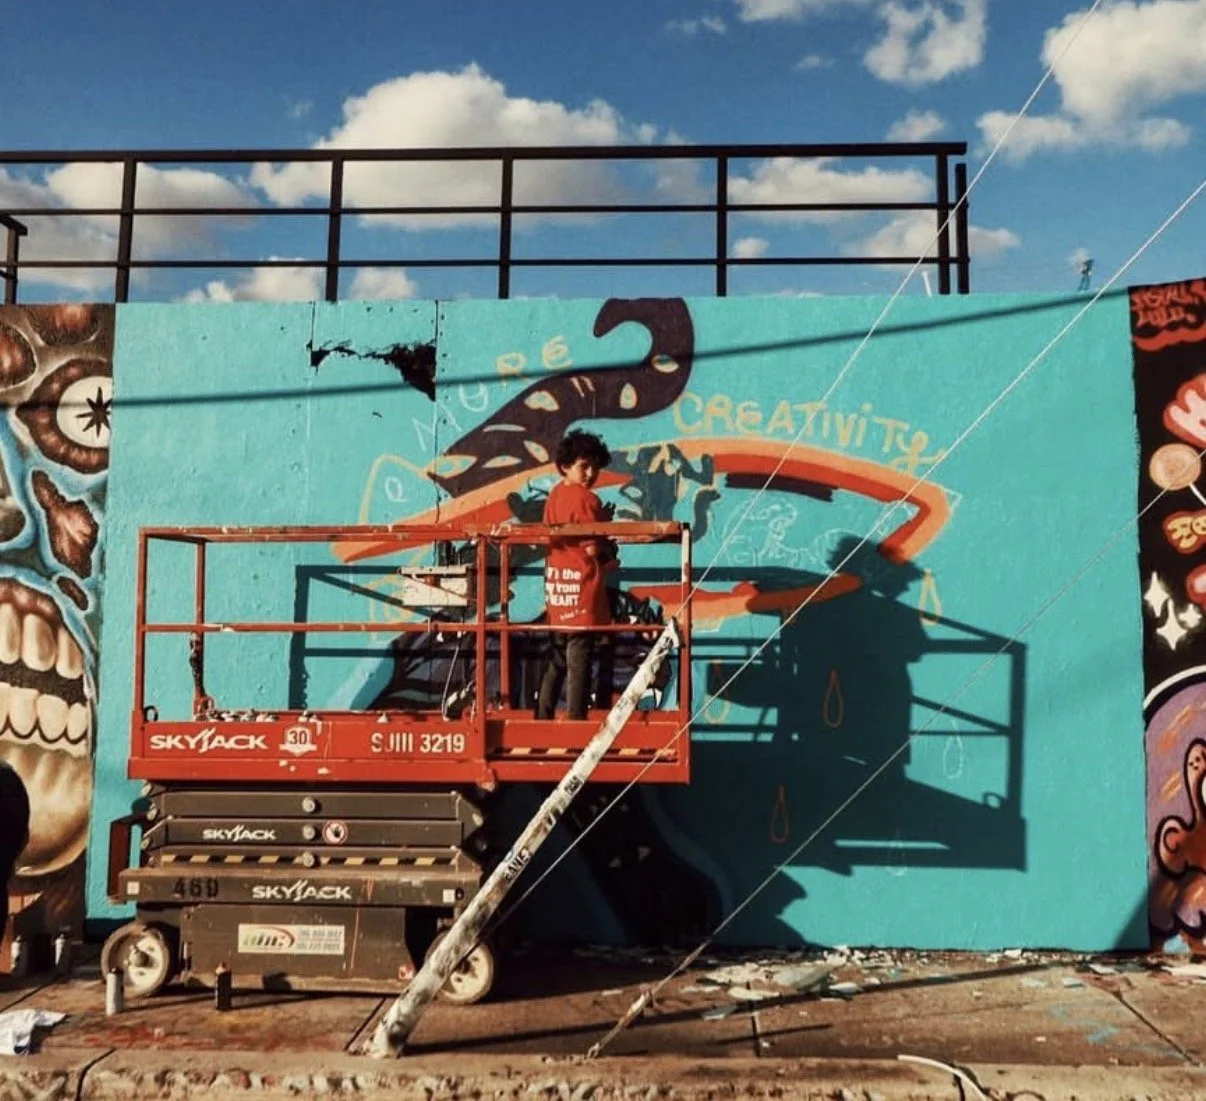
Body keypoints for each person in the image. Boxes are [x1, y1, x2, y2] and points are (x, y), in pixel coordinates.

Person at [535, 429, 617, 720]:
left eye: (595, 467)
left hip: (559, 592)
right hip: (583, 593)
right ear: (565, 466)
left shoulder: (555, 495)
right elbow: (593, 549)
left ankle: (542, 717)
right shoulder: (587, 499)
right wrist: (609, 547)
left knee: (557, 658)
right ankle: (576, 720)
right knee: (579, 659)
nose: (591, 473)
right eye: (584, 466)